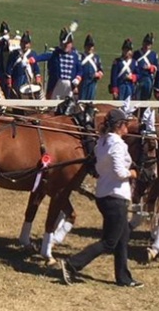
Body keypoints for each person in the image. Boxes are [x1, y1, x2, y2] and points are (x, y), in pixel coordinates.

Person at [60, 109, 143, 288]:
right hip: (116, 197)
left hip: (104, 195)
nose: (127, 127)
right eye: (126, 124)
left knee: (123, 237)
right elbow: (119, 172)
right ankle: (72, 264)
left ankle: (124, 277)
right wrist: (133, 173)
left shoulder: (101, 142)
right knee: (109, 242)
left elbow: (99, 168)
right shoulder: (118, 144)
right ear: (119, 126)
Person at [39, 26, 81, 100]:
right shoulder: (55, 53)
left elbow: (80, 69)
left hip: (69, 86)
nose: (65, 46)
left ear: (71, 43)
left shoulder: (75, 56)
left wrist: (78, 77)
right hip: (56, 85)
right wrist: (31, 60)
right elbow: (43, 56)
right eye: (63, 44)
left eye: (67, 44)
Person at [5, 31, 41, 99]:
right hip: (17, 79)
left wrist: (37, 76)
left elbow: (36, 68)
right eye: (23, 43)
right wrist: (9, 79)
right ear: (20, 43)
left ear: (29, 44)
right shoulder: (14, 54)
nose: (25, 45)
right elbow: (9, 67)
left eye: (26, 43)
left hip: (28, 80)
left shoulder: (33, 54)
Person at [133, 32, 158, 101]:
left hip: (148, 77)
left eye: (149, 44)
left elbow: (156, 67)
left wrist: (150, 67)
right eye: (146, 43)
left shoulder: (153, 55)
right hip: (138, 78)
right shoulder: (136, 53)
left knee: (146, 98)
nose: (147, 46)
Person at [79, 34, 104, 101]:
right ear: (85, 47)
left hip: (92, 82)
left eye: (91, 46)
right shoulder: (80, 56)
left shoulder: (96, 58)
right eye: (88, 46)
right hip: (82, 82)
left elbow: (100, 70)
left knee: (91, 102)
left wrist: (99, 74)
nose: (90, 48)